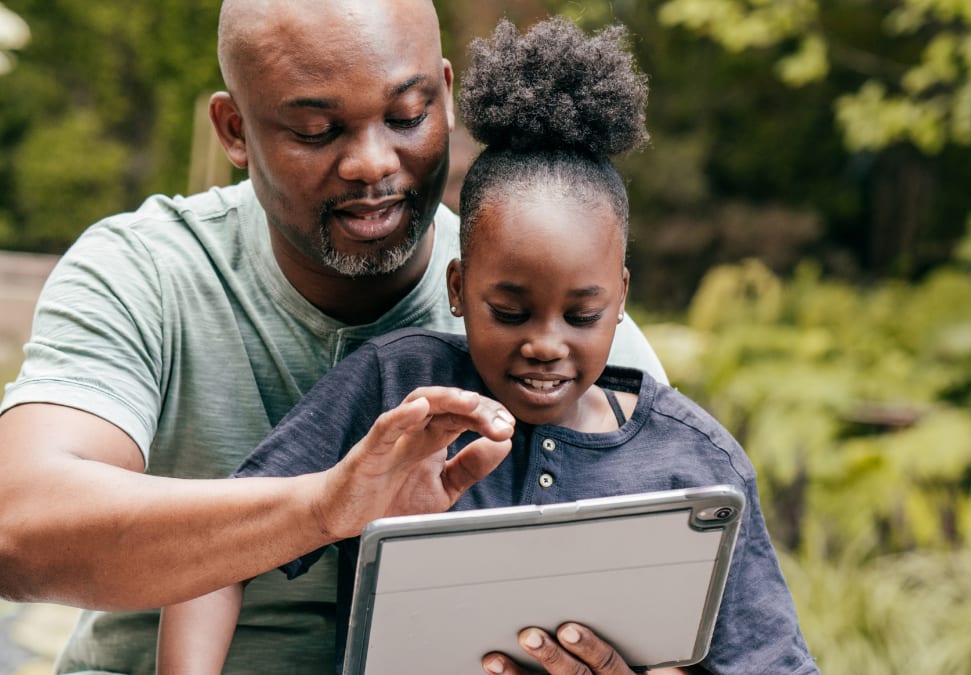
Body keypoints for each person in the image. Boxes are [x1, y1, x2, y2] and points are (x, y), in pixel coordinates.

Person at [0, 1, 667, 673]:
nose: (373, 163)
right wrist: (322, 507)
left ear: (446, 94)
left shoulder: (562, 331)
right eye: (318, 130)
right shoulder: (148, 272)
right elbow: (16, 526)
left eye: (408, 116)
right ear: (235, 129)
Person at [157, 16, 820, 675]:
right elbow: (218, 554)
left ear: (620, 298)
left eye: (582, 313)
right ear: (457, 286)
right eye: (509, 310)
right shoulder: (398, 394)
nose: (544, 344)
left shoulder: (694, 463)